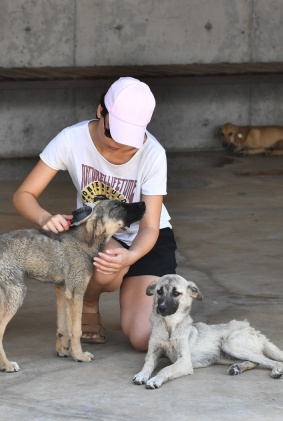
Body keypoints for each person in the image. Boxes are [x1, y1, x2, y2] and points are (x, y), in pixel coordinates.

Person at [12, 77, 177, 352]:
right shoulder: (72, 138)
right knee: (107, 263)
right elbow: (23, 195)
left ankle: (127, 279)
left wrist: (132, 255)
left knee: (144, 340)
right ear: (101, 111)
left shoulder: (153, 153)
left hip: (147, 241)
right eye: (113, 134)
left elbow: (149, 226)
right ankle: (88, 304)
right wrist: (43, 218)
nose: (118, 146)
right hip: (97, 234)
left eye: (129, 142)